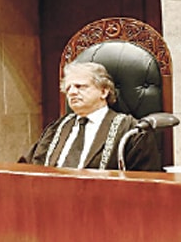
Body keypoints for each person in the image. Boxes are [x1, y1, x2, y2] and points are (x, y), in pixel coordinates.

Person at [20, 62, 160, 171]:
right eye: (68, 88)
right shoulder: (57, 128)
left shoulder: (130, 131)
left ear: (104, 91)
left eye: (80, 86)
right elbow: (28, 167)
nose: (72, 92)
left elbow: (143, 183)